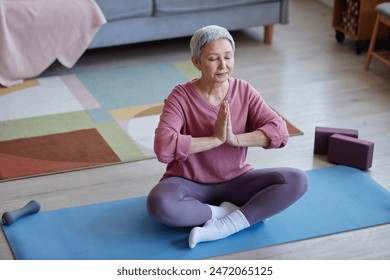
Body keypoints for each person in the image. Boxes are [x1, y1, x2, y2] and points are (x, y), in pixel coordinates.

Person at [147, 25, 308, 249]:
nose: (223, 65)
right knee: (159, 204)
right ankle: (225, 212)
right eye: (213, 58)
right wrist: (214, 140)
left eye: (228, 57)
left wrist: (235, 139)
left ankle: (228, 225)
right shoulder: (180, 96)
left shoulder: (244, 90)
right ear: (196, 62)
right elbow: (163, 148)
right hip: (189, 183)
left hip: (236, 181)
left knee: (297, 180)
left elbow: (279, 132)